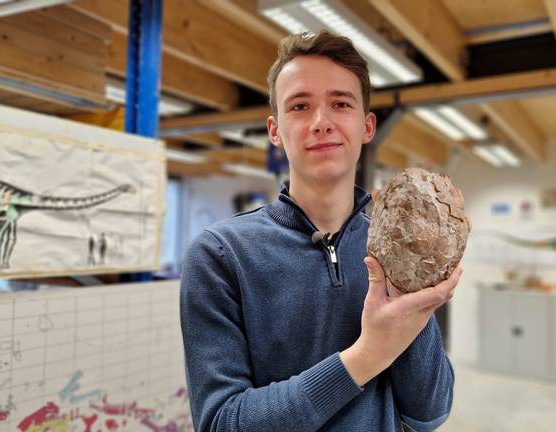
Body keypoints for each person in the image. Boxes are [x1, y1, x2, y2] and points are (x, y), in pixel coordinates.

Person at [180, 31, 461, 432]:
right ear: (275, 131)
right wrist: (366, 355)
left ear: (367, 126)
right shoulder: (220, 255)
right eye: (299, 105)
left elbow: (429, 413)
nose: (321, 122)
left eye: (340, 103)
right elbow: (221, 423)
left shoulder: (393, 251)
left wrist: (411, 288)